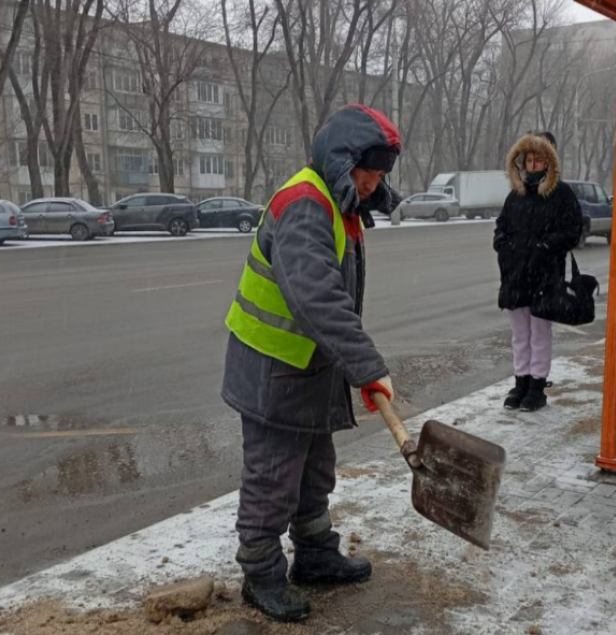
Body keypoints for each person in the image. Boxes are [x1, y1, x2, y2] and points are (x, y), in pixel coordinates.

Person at [221, 104, 402, 622]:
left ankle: (316, 552)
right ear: (343, 160)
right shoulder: (305, 202)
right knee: (273, 477)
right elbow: (317, 297)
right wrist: (366, 366)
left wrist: (352, 369)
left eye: (381, 175)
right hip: (272, 372)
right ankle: (261, 574)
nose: (372, 183)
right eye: (367, 171)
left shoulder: (338, 201)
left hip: (307, 371)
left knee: (314, 470)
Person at [493, 132, 583, 412]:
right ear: (522, 163)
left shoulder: (562, 195)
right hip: (516, 277)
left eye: (539, 160)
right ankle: (520, 382)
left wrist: (545, 246)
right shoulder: (515, 196)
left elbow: (572, 231)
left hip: (545, 277)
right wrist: (503, 246)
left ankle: (537, 386)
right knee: (520, 334)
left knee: (539, 332)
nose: (533, 165)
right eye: (529, 160)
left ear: (549, 162)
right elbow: (502, 228)